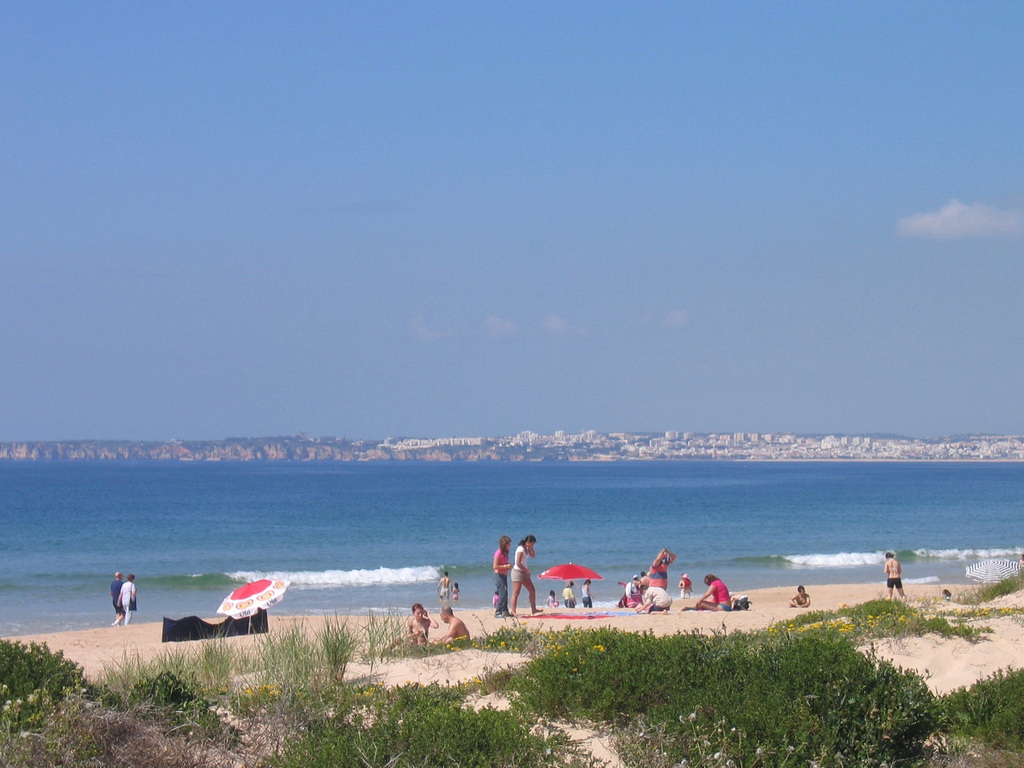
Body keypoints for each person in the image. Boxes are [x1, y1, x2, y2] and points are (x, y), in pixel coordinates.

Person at [510, 534, 541, 616]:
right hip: (518, 572)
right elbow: (518, 563)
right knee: (516, 593)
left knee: (532, 590)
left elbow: (533, 556)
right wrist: (526, 570)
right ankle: (513, 611)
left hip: (524, 572)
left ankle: (534, 609)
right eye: (532, 543)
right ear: (527, 542)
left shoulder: (527, 548)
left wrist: (531, 548)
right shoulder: (520, 549)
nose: (533, 545)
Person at [492, 535, 513, 618]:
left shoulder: (505, 553)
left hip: (504, 575)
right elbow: (495, 566)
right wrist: (505, 566)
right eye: (508, 544)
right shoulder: (498, 553)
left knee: (506, 593)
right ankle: (498, 611)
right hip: (499, 575)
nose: (510, 546)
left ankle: (505, 611)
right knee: (503, 594)